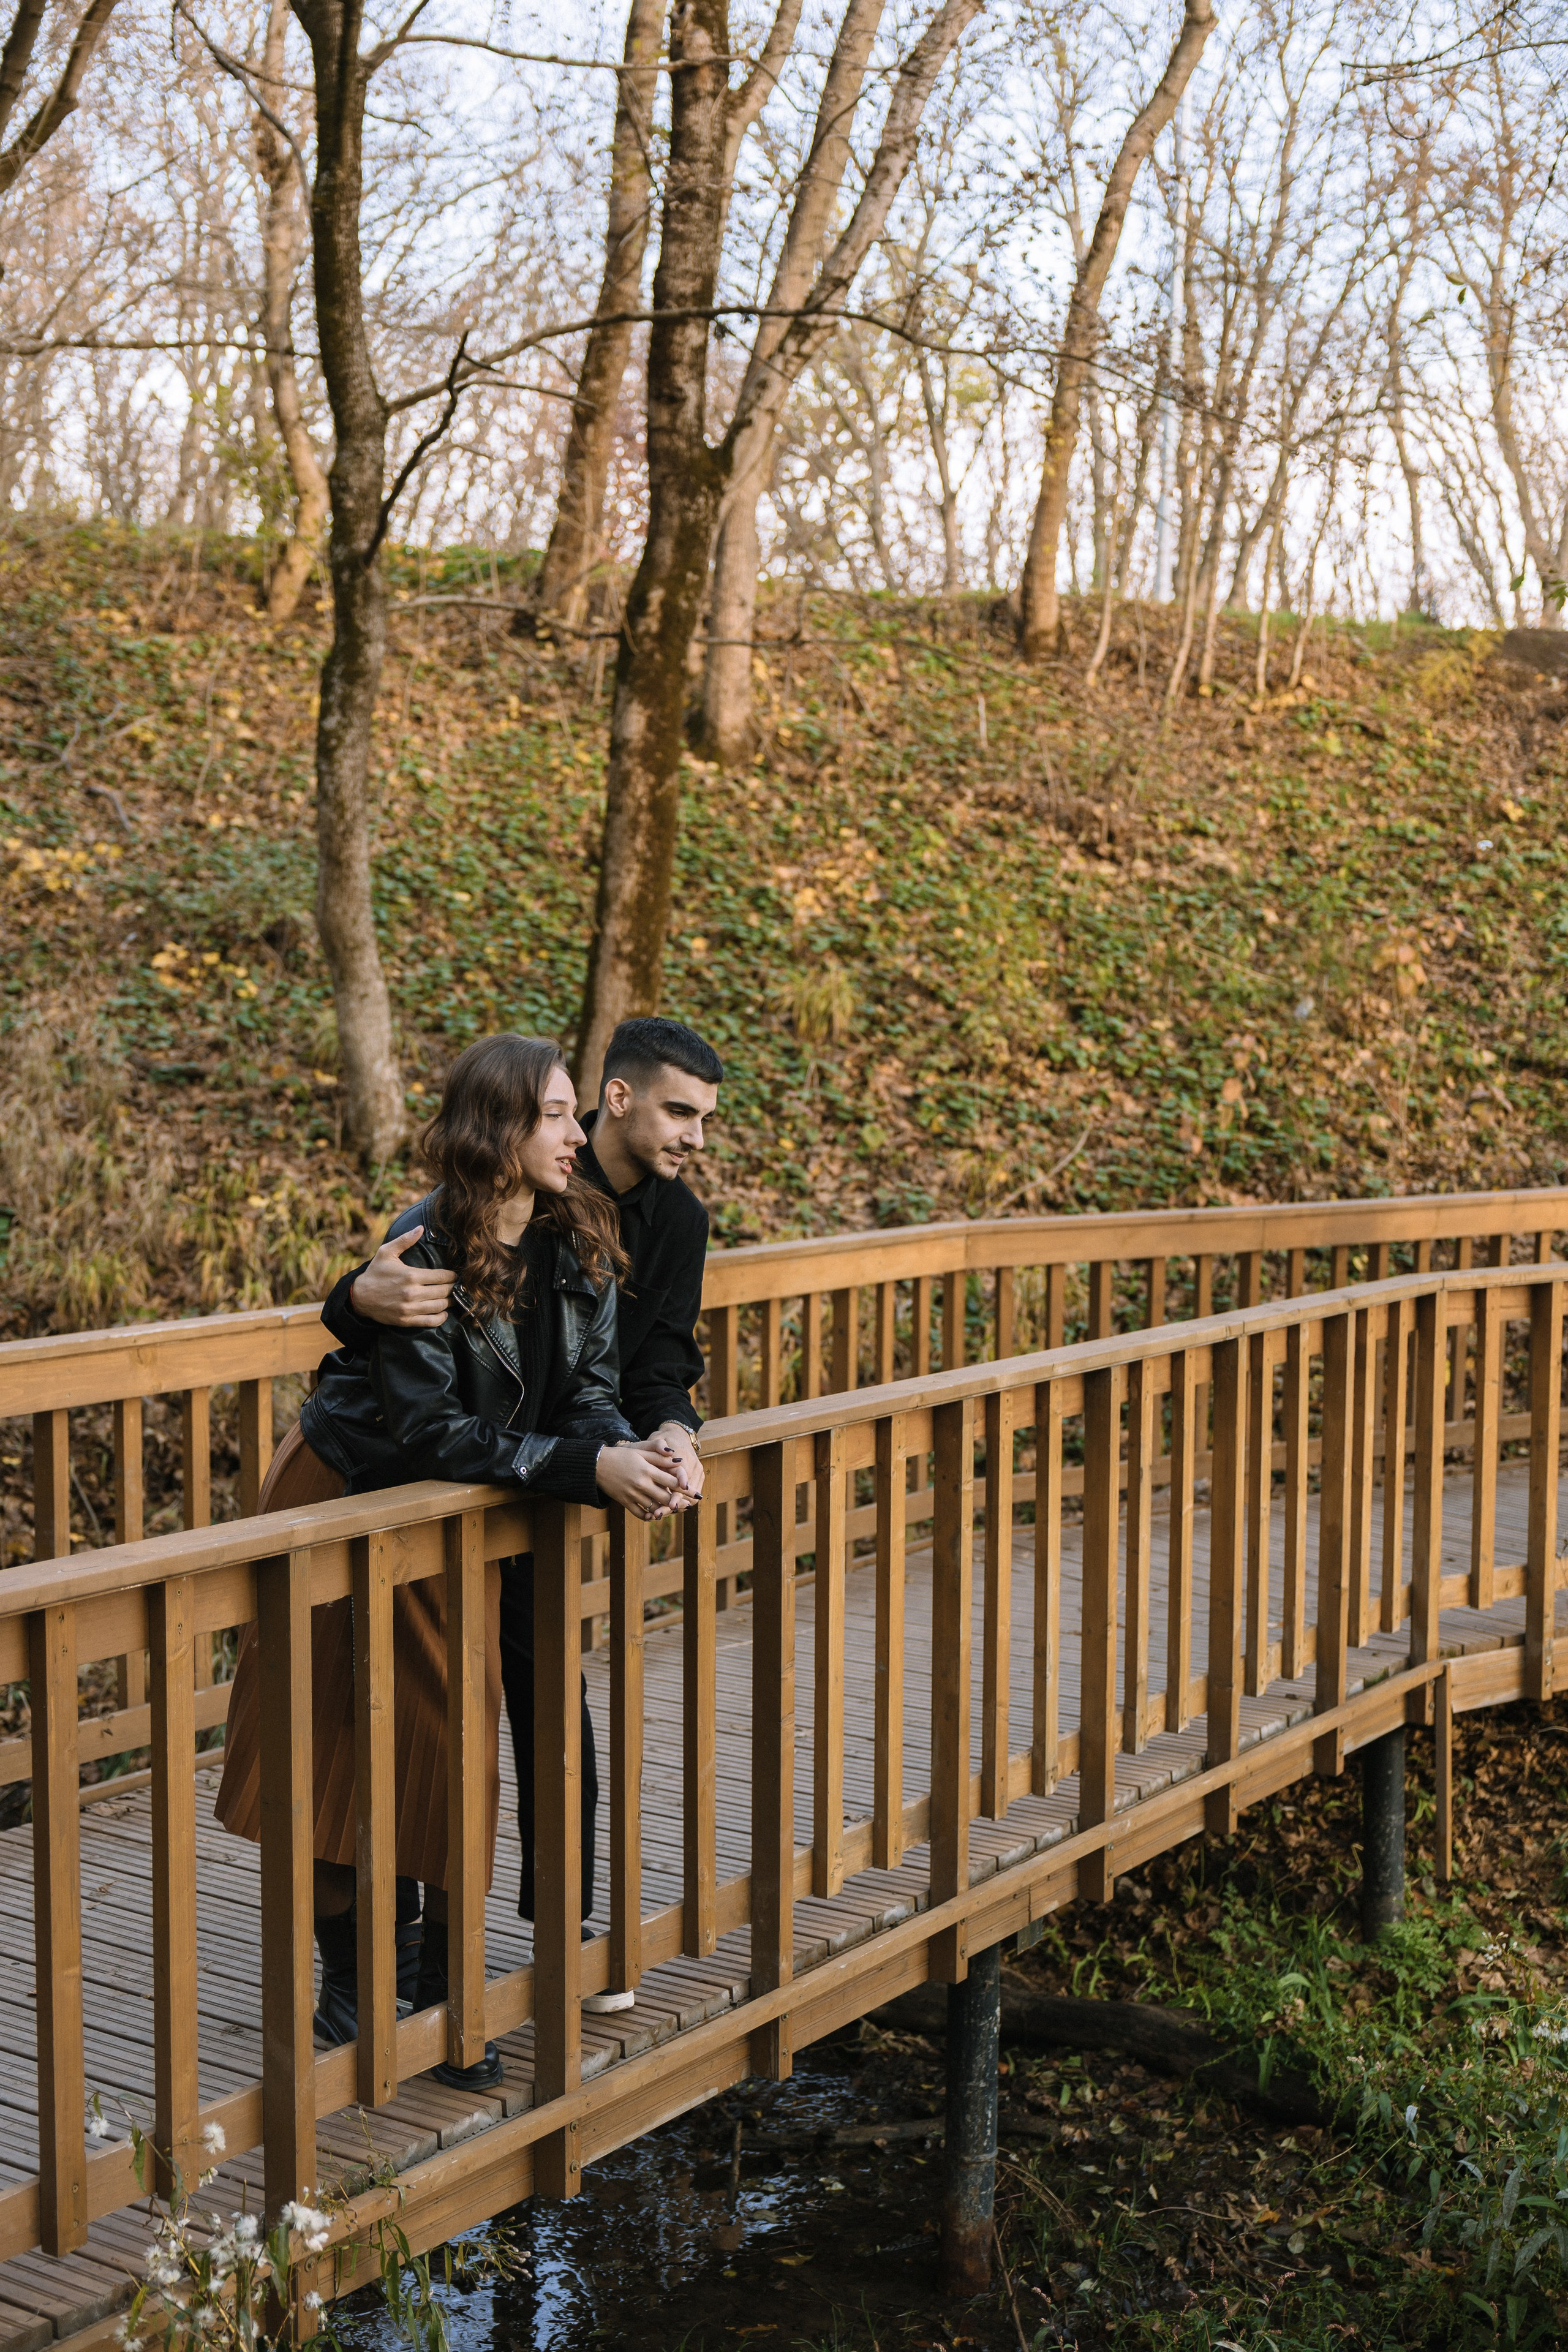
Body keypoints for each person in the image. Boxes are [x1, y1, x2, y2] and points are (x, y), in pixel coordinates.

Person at [214, 1035, 684, 2089]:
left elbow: (589, 1388)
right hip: (351, 1496)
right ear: (498, 1129)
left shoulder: (580, 1237)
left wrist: (631, 1446)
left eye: (573, 1114)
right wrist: (586, 1465)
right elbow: (431, 1432)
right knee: (334, 1752)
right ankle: (358, 1985)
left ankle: (435, 1987)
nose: (577, 1136)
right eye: (555, 1115)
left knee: (442, 1746)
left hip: (455, 1519)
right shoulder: (421, 1251)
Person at [320, 1016, 723, 1981]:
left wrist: (654, 1438)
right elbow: (418, 1398)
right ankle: (377, 1971)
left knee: (544, 1708)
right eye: (680, 1112)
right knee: (398, 1732)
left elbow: (627, 1371)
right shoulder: (462, 1222)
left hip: (525, 1482)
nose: (696, 1137)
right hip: (405, 1495)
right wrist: (354, 1298)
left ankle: (549, 1933)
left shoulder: (607, 1228)